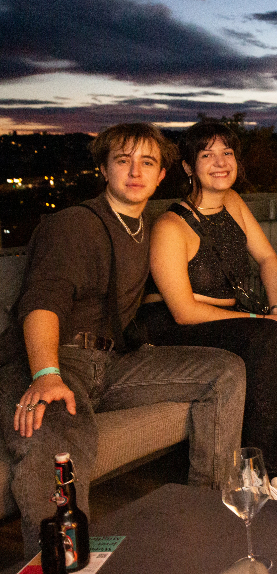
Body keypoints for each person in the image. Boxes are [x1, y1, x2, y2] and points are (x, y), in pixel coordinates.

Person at [0, 123, 246, 555]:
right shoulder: (73, 224)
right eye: (122, 161)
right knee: (53, 428)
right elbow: (42, 301)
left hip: (112, 363)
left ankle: (207, 508)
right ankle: (60, 559)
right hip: (56, 357)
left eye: (147, 162)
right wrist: (45, 373)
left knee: (225, 371)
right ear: (104, 169)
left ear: (162, 175)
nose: (135, 172)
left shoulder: (149, 228)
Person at [139, 119, 277, 473]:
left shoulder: (233, 202)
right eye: (207, 155)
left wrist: (276, 308)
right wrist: (262, 319)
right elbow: (184, 312)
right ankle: (263, 470)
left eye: (227, 153)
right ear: (188, 167)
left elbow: (268, 259)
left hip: (226, 318)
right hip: (173, 325)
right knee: (268, 339)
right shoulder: (171, 226)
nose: (221, 162)